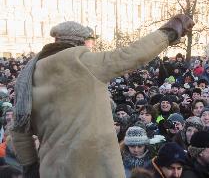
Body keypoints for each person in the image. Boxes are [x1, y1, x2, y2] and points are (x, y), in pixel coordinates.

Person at [11, 15, 195, 177]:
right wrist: (171, 30)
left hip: (52, 169)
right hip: (92, 167)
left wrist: (31, 168)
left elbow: (20, 132)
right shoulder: (84, 62)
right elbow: (131, 55)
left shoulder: (29, 75)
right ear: (80, 42)